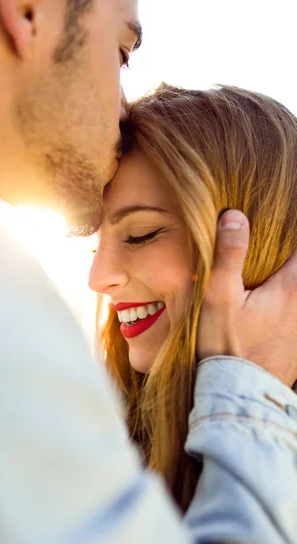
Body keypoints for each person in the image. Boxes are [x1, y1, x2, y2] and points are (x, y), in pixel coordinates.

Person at [0, 0, 296, 542]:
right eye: (120, 52)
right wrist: (250, 394)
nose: (119, 105)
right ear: (26, 3)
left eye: (141, 234)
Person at [89, 83, 297, 513]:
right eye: (96, 246)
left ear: (255, 244)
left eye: (140, 235)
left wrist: (248, 394)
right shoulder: (99, 437)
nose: (99, 277)